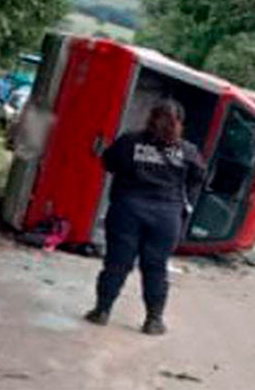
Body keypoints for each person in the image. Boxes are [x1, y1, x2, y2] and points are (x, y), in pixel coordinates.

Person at [84, 100, 205, 335]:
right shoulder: (188, 151)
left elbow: (108, 163)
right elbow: (199, 177)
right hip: (166, 216)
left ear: (151, 117)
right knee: (156, 267)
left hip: (128, 210)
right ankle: (153, 320)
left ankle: (102, 311)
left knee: (117, 262)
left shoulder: (130, 141)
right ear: (180, 123)